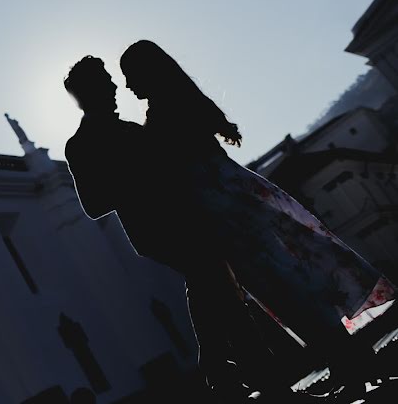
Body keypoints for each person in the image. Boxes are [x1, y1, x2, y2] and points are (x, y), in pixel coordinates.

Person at [119, 39, 396, 398]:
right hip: (241, 196)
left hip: (222, 212)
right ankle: (353, 361)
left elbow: (173, 171)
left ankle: (350, 363)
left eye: (129, 76)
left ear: (146, 72)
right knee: (295, 285)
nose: (127, 85)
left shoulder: (161, 116)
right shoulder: (182, 100)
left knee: (284, 293)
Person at [63, 56, 289, 401]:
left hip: (189, 219)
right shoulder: (79, 144)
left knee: (212, 289)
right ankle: (265, 381)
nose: (113, 86)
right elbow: (93, 206)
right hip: (155, 231)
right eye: (105, 81)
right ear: (87, 92)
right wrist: (138, 174)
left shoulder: (133, 129)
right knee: (220, 288)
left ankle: (221, 372)